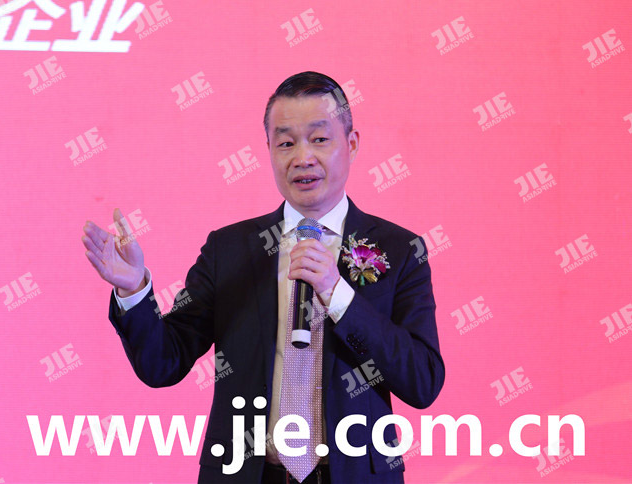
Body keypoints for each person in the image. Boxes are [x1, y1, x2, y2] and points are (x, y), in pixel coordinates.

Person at [82, 71, 445, 484]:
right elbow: (162, 363)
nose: (302, 157)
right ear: (268, 150)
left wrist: (337, 294)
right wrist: (133, 289)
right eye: (286, 143)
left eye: (319, 139)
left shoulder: (400, 250)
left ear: (352, 144)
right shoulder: (230, 249)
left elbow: (423, 381)